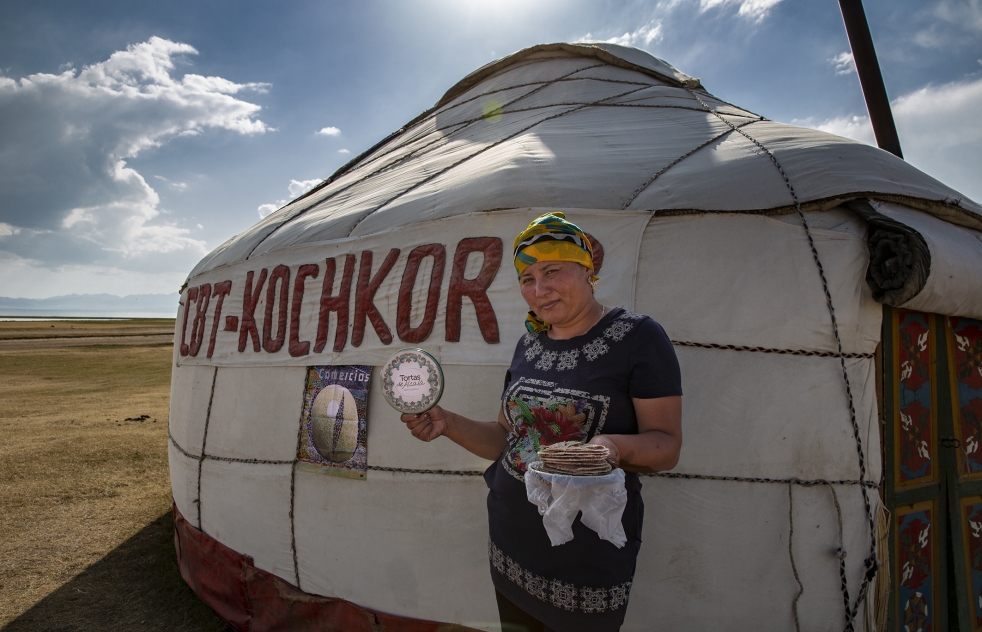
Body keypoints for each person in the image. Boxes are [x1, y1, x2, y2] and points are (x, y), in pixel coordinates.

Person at [401, 212, 682, 632]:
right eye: (527, 278)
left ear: (587, 270)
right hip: (511, 547)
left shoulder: (637, 337)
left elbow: (667, 446)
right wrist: (448, 422)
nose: (540, 289)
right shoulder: (529, 343)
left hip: (583, 563)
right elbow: (504, 439)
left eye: (552, 271)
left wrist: (611, 448)